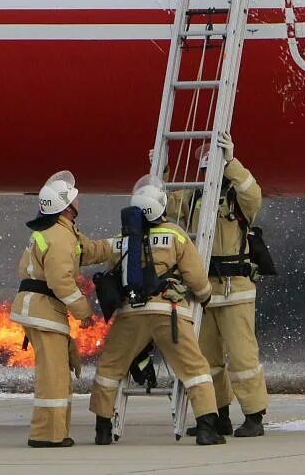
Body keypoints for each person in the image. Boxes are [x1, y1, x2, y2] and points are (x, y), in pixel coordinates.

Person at [89, 175, 225, 446]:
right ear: (161, 205)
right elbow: (196, 278)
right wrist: (206, 297)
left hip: (130, 314)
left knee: (109, 369)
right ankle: (207, 428)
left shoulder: (122, 240)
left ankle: (103, 428)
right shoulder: (176, 235)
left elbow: (108, 263)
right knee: (194, 368)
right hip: (169, 312)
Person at [169, 132, 269, 438]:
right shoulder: (196, 196)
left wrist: (232, 162)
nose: (206, 176)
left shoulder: (237, 198)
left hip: (235, 289)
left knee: (242, 357)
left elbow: (254, 195)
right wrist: (160, 175)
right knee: (207, 359)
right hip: (204, 289)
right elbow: (172, 212)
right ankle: (219, 414)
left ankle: (254, 416)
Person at [10, 170, 114, 448]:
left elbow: (87, 251)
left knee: (57, 373)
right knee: (53, 376)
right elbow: (60, 280)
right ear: (66, 206)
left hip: (41, 311)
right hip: (44, 312)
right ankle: (46, 435)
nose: (78, 200)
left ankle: (53, 432)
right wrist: (84, 313)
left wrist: (118, 244)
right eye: (74, 198)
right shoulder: (59, 237)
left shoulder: (59, 232)